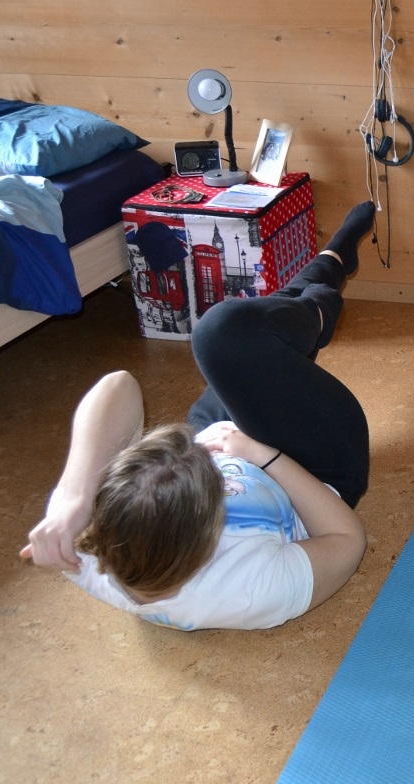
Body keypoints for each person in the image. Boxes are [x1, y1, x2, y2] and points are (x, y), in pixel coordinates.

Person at [21, 201, 378, 631]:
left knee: (245, 350)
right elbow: (347, 540)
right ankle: (320, 300)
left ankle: (327, 269)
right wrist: (260, 455)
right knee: (224, 337)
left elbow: (116, 386)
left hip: (223, 439)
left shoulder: (109, 566)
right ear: (212, 529)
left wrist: (70, 502)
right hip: (313, 470)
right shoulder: (253, 593)